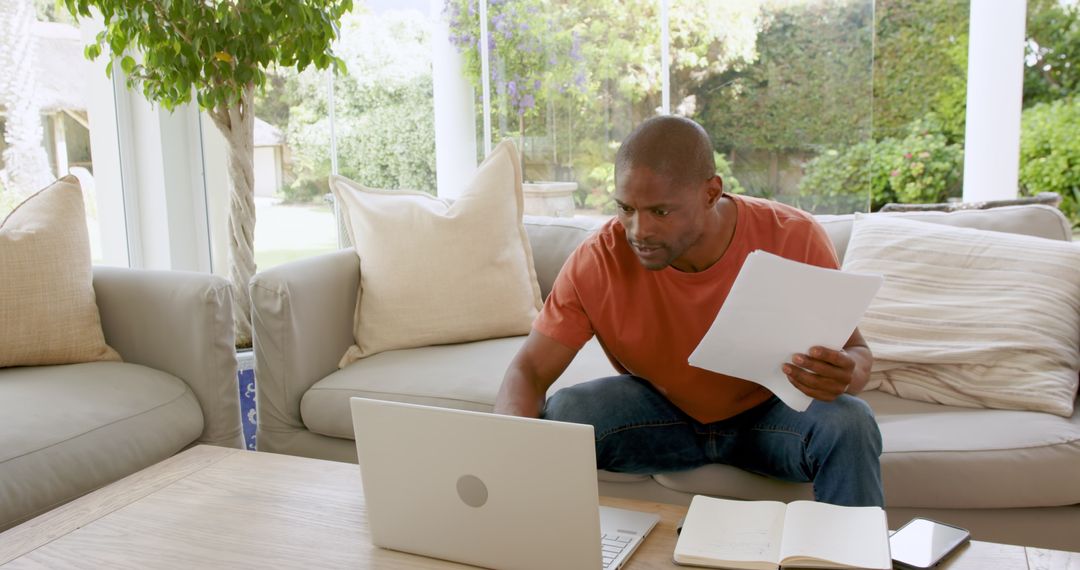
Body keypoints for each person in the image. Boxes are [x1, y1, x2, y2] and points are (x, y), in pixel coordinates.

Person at [493, 115, 883, 507]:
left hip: (771, 419)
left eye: (660, 212)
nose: (638, 230)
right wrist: (509, 449)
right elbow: (530, 370)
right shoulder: (598, 260)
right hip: (661, 419)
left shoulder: (793, 236)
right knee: (568, 413)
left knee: (850, 421)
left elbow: (857, 354)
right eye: (626, 208)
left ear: (711, 193)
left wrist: (844, 373)